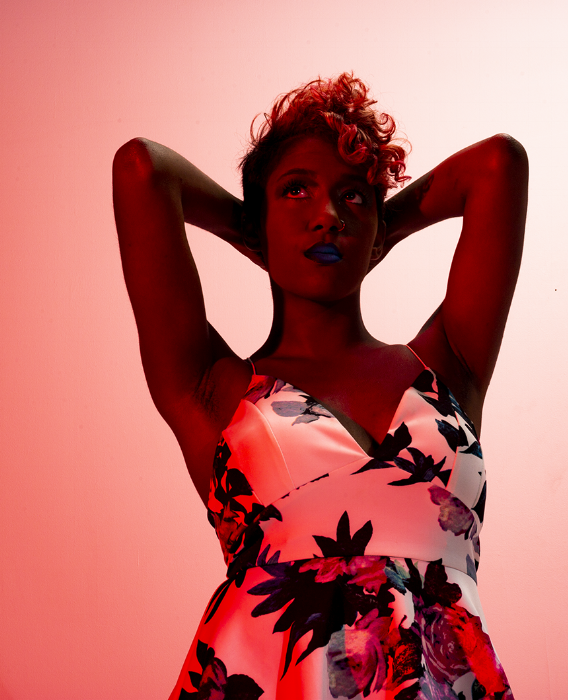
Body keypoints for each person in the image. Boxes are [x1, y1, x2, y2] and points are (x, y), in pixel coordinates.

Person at [113, 73, 528, 700]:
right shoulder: (213, 388)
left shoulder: (450, 370)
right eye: (297, 191)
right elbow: (143, 171)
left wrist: (376, 227)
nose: (327, 216)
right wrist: (257, 232)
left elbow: (499, 166)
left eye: (352, 197)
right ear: (259, 219)